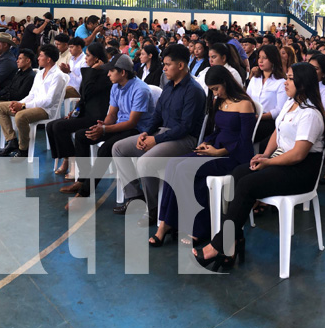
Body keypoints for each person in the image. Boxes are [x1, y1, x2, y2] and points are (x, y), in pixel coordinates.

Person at [193, 62, 325, 270]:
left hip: (301, 171)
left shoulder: (310, 114)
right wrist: (264, 155)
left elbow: (298, 154)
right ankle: (233, 241)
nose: (285, 82)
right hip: (282, 162)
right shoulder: (290, 103)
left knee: (248, 184)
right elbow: (278, 132)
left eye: (290, 78)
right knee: (239, 173)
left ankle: (220, 244)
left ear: (302, 83)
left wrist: (268, 162)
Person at [149, 66, 256, 247]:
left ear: (226, 83)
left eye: (216, 89)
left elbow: (245, 140)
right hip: (214, 150)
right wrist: (207, 143)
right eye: (212, 90)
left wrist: (220, 152)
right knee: (173, 164)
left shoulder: (245, 104)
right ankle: (166, 223)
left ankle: (192, 226)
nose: (215, 93)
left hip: (234, 156)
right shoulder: (220, 102)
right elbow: (218, 131)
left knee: (185, 169)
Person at [111, 44, 207, 227]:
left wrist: (155, 140)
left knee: (145, 162)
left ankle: (153, 212)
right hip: (163, 133)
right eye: (163, 64)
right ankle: (135, 196)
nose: (164, 68)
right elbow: (157, 115)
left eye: (168, 64)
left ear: (180, 65)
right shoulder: (169, 86)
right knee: (119, 148)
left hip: (184, 140)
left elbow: (185, 127)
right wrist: (146, 132)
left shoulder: (193, 90)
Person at [62, 54, 154, 198]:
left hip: (137, 131)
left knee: (106, 148)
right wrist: (103, 125)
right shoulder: (116, 87)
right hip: (119, 125)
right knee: (82, 135)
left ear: (122, 72)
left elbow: (132, 123)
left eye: (111, 71)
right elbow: (112, 114)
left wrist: (105, 130)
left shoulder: (140, 90)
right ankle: (82, 179)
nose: (108, 74)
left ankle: (85, 193)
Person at [48, 43, 111, 176]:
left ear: (97, 58)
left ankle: (72, 163)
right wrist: (75, 111)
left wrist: (92, 70)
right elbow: (83, 97)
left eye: (88, 55)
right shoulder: (91, 71)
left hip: (95, 116)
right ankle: (65, 158)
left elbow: (88, 92)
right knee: (50, 126)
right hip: (84, 112)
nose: (86, 58)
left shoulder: (105, 74)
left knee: (60, 127)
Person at [0, 44, 67, 158]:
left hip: (46, 110)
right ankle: (11, 140)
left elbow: (49, 101)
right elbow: (32, 94)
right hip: (32, 105)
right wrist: (19, 103)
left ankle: (23, 149)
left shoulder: (58, 76)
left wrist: (23, 106)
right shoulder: (39, 73)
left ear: (48, 59)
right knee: (0, 107)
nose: (38, 58)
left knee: (20, 116)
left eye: (41, 56)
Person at [245, 45, 287, 149]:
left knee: (245, 130)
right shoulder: (255, 79)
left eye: (265, 58)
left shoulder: (281, 82)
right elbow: (247, 99)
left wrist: (259, 117)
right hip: (252, 116)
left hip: (268, 120)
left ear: (273, 60)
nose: (261, 61)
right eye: (259, 57)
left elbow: (279, 110)